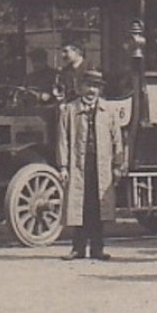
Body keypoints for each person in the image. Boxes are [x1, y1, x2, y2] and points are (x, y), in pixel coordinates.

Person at [56, 69, 126, 262]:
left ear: (100, 90)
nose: (91, 90)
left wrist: (118, 165)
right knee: (79, 206)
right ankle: (77, 248)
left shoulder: (108, 110)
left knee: (98, 207)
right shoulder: (69, 110)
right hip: (79, 164)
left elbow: (117, 139)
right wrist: (63, 166)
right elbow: (63, 140)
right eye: (88, 85)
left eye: (96, 87)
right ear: (81, 87)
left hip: (101, 165)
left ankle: (97, 248)